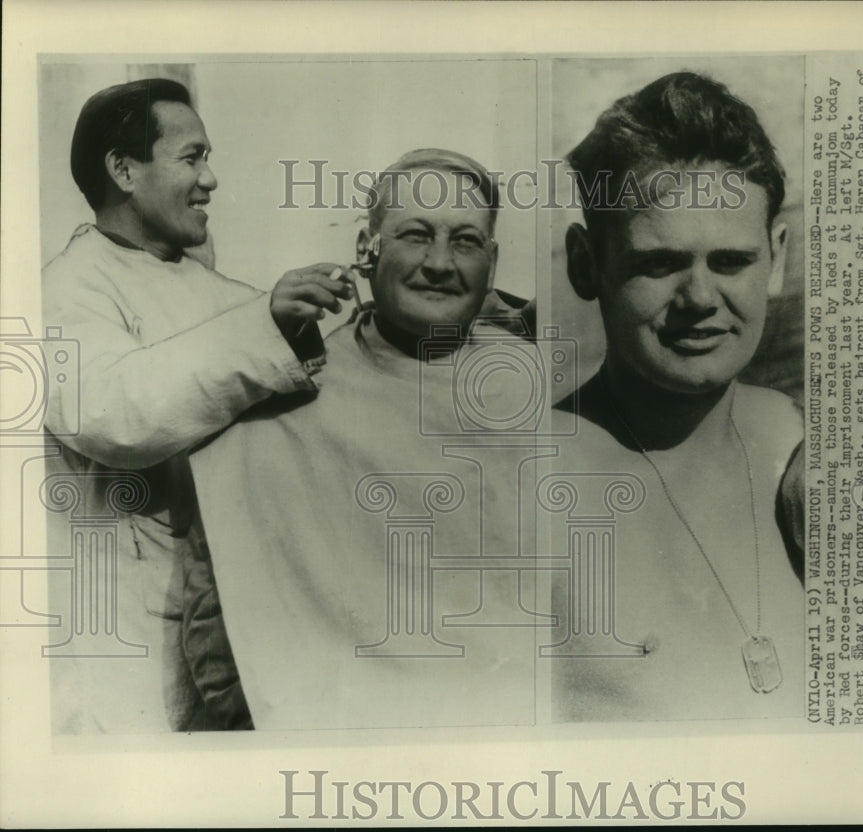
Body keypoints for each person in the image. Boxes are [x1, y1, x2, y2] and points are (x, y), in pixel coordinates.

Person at [184, 149, 541, 730]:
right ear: (365, 248)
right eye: (416, 235)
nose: (440, 263)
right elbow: (220, 633)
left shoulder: (547, 386)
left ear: (493, 263)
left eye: (467, 242)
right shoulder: (287, 392)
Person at [42, 78, 354, 732]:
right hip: (124, 643)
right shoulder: (67, 289)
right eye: (192, 158)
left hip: (227, 618)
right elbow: (115, 413)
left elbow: (278, 354)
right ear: (123, 169)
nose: (210, 179)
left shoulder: (210, 289)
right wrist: (269, 320)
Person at [549, 71, 805, 720]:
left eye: (730, 262)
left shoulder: (793, 440)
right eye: (658, 264)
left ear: (775, 257)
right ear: (587, 264)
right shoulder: (521, 486)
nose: (698, 300)